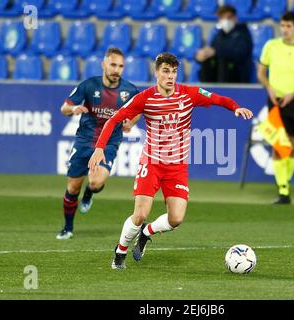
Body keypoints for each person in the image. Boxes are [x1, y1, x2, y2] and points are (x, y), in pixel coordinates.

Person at [88, 53, 253, 269]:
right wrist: (99, 148)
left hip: (177, 167)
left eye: (174, 71)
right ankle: (120, 251)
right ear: (156, 72)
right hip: (152, 163)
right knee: (139, 215)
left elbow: (217, 99)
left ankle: (147, 234)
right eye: (166, 71)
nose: (170, 76)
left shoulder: (188, 94)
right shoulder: (144, 98)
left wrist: (235, 107)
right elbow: (114, 119)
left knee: (176, 219)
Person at [56, 48, 140, 240]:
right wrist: (74, 108)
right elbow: (64, 108)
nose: (116, 70)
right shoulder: (88, 85)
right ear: (104, 65)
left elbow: (138, 111)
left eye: (120, 66)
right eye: (113, 65)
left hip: (109, 142)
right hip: (85, 141)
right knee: (72, 188)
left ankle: (90, 192)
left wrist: (130, 122)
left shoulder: (130, 90)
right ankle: (68, 228)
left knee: (96, 181)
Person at [257, 11, 294, 205]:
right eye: (282, 25)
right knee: (278, 144)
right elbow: (261, 73)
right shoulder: (271, 46)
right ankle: (283, 190)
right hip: (276, 100)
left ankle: (286, 180)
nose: (284, 30)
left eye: (288, 26)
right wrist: (269, 88)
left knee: (293, 144)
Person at [195, 4, 253, 83]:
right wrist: (201, 56)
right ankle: (206, 89)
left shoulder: (243, 33)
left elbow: (241, 54)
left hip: (237, 74)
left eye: (229, 17)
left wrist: (216, 52)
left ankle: (223, 89)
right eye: (222, 18)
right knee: (207, 61)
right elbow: (212, 50)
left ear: (235, 18)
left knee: (224, 61)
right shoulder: (219, 35)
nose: (226, 20)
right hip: (218, 74)